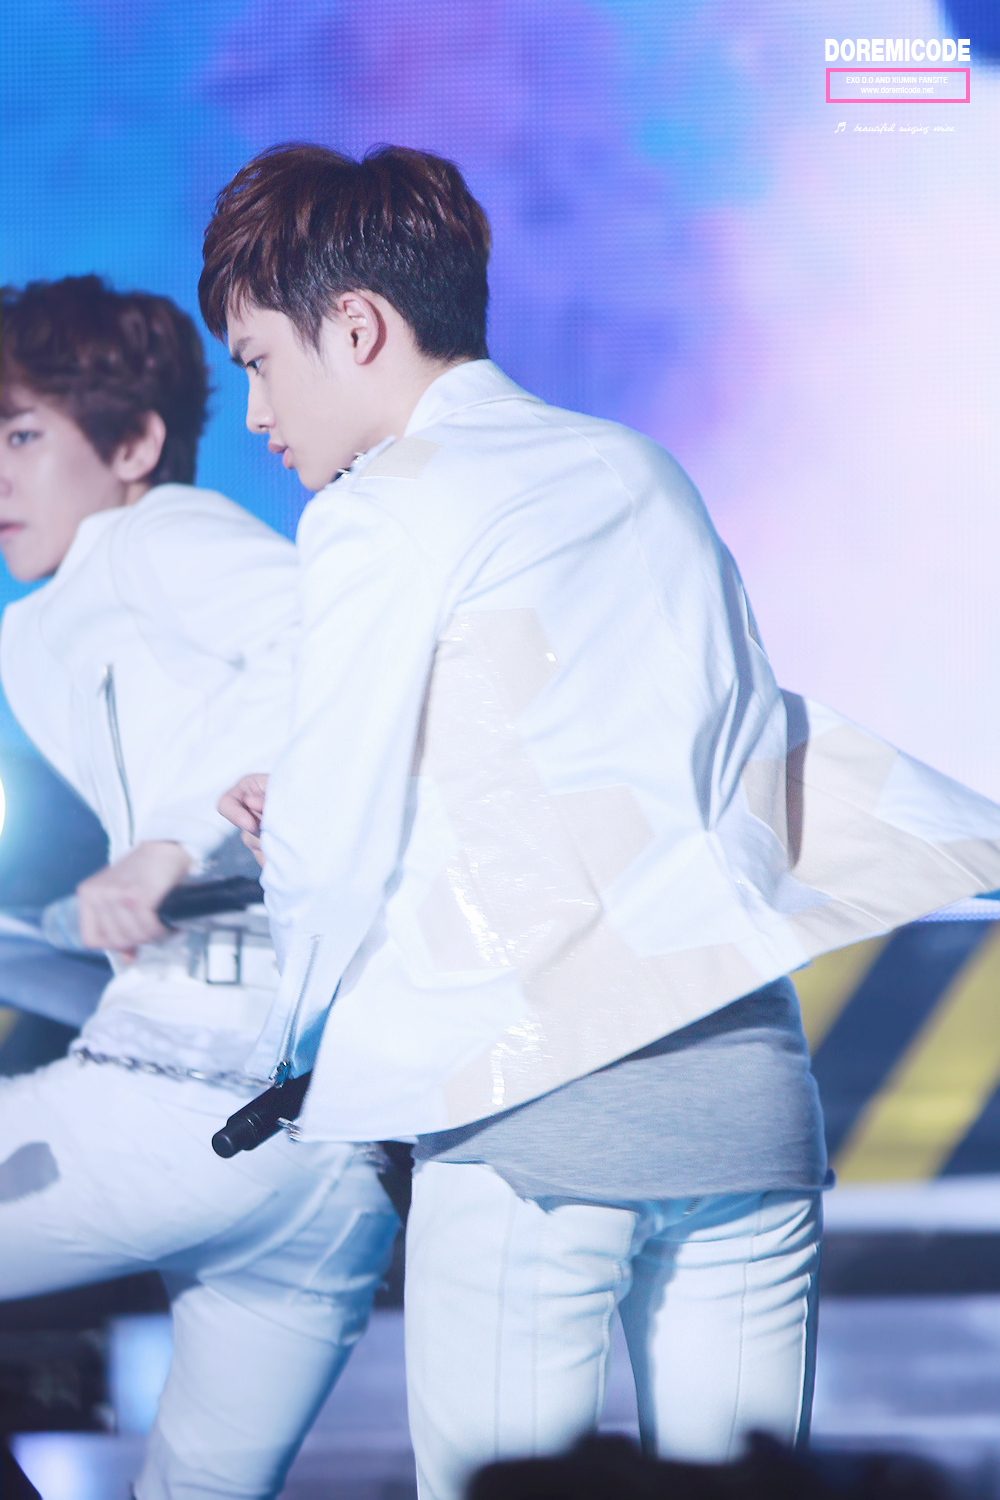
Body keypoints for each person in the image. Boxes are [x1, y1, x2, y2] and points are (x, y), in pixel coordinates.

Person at [198, 146, 1000, 1499]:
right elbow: (707, 747)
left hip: (529, 1108)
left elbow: (334, 843)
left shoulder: (375, 513)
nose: (259, 414)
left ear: (357, 325)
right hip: (748, 1090)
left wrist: (295, 1039)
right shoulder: (641, 470)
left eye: (260, 362)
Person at [0, 276, 399, 1500]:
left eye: (21, 436)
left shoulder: (155, 538)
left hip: (180, 1100)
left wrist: (170, 843)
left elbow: (331, 649)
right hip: (329, 1166)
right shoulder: (55, 617)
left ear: (134, 443)